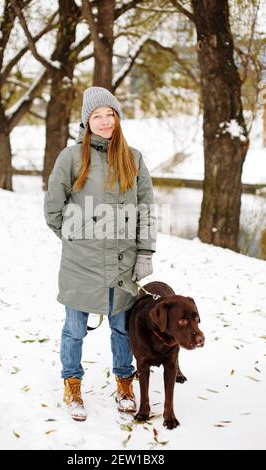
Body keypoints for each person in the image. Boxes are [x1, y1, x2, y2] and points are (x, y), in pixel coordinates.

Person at [44, 86, 156, 422]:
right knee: (75, 328)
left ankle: (125, 381)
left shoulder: (133, 157)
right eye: (97, 116)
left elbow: (146, 208)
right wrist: (73, 235)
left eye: (110, 115)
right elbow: (53, 206)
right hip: (83, 263)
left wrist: (145, 251)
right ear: (87, 120)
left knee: (123, 328)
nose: (105, 121)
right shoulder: (72, 157)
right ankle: (72, 382)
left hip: (123, 263)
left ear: (118, 118)